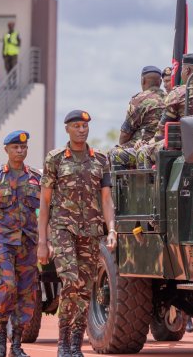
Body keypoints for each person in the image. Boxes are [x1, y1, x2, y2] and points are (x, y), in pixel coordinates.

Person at [38, 110, 117, 357]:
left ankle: (75, 343)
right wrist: (43, 240)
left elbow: (106, 200)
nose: (82, 130)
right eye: (76, 125)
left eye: (84, 126)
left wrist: (111, 229)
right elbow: (45, 201)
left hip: (91, 231)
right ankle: (63, 341)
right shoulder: (56, 159)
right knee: (70, 281)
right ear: (67, 130)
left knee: (85, 287)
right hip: (63, 230)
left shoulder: (101, 159)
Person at [0, 131, 41, 357]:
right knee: (6, 286)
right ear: (6, 150)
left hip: (28, 243)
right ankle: (1, 331)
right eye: (15, 147)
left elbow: (46, 209)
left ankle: (17, 343)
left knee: (27, 294)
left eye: (23, 147)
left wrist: (45, 241)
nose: (20, 151)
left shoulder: (35, 178)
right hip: (2, 242)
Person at [137, 54, 193, 167]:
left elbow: (162, 131)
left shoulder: (177, 94)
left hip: (182, 148)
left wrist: (146, 144)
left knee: (142, 152)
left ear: (187, 70)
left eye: (182, 69)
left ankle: (155, 184)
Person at [109, 66, 166, 168]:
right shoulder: (169, 97)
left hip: (143, 146)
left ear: (143, 80)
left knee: (114, 153)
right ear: (160, 82)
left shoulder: (139, 99)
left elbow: (125, 135)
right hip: (162, 146)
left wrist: (123, 145)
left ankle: (126, 183)